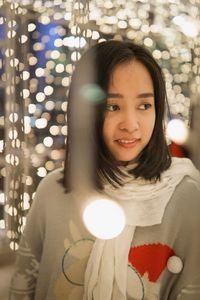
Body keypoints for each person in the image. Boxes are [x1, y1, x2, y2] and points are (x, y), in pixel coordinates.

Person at [9, 40, 200, 300]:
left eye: (144, 105)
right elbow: (22, 289)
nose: (131, 124)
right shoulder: (54, 191)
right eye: (113, 106)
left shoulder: (185, 197)